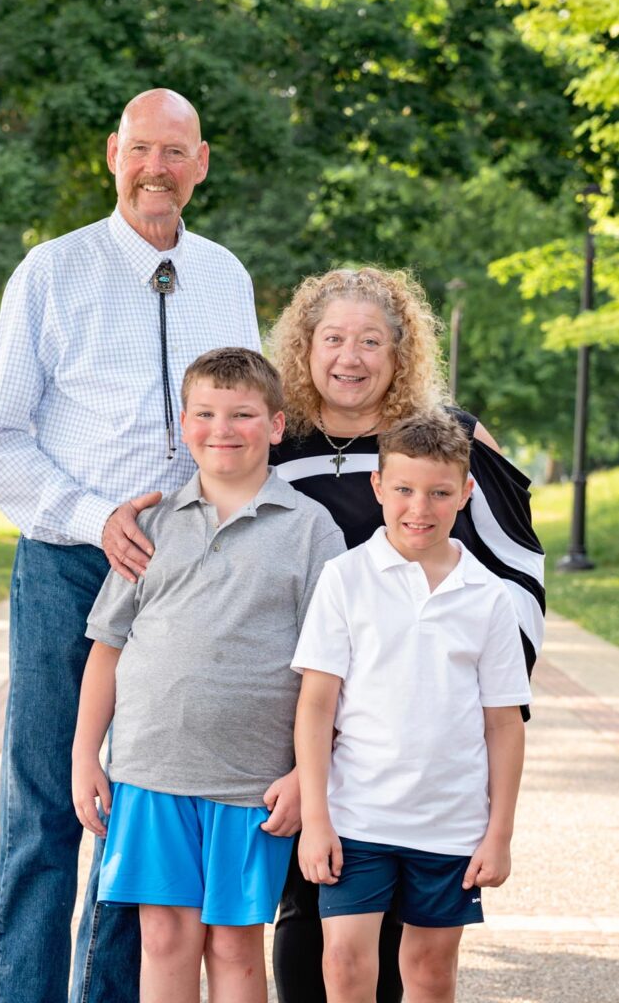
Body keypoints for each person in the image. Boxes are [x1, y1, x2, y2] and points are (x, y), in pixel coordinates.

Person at [0, 89, 261, 1003]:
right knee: (48, 810)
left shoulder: (226, 277)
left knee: (142, 821)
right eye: (140, 150)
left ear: (200, 164)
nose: (155, 170)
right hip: (69, 564)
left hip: (185, 582)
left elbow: (246, 426)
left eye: (174, 153)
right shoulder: (51, 273)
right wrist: (98, 516)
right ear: (111, 154)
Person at [267, 266, 545, 1002]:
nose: (349, 358)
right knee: (312, 922)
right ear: (304, 346)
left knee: (415, 954)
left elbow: (515, 576)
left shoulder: (442, 441)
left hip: (414, 751)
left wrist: (470, 713)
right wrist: (305, 760)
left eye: (370, 341)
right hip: (299, 727)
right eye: (332, 339)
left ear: (401, 353)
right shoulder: (274, 444)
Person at [71, 348, 346, 1003]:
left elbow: (333, 672)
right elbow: (107, 647)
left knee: (233, 943)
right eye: (205, 414)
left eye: (242, 414)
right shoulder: (150, 525)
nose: (222, 428)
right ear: (185, 425)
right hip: (149, 772)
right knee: (163, 938)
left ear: (276, 425)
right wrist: (86, 755)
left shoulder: (310, 530)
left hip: (251, 783)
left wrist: (308, 776)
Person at [292, 411, 532, 1003]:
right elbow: (317, 706)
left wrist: (498, 832)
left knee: (428, 970)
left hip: (450, 823)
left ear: (466, 493)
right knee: (345, 964)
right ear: (377, 487)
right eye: (402, 489)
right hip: (357, 816)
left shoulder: (489, 597)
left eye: (439, 493)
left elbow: (503, 723)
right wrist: (317, 818)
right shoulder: (344, 578)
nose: (418, 507)